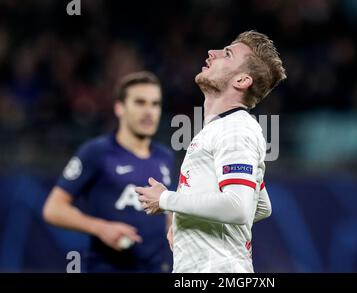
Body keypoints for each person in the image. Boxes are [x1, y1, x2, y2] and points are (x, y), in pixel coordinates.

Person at [135, 31, 286, 273]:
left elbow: (238, 207)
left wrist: (165, 200)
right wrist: (186, 221)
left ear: (242, 81)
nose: (211, 53)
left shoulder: (236, 129)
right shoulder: (221, 128)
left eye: (227, 54)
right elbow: (261, 206)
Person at [43, 71, 175, 272]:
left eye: (155, 104)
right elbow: (53, 209)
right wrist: (101, 228)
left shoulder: (165, 156)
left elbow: (167, 214)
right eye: (140, 102)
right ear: (120, 108)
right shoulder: (96, 152)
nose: (149, 111)